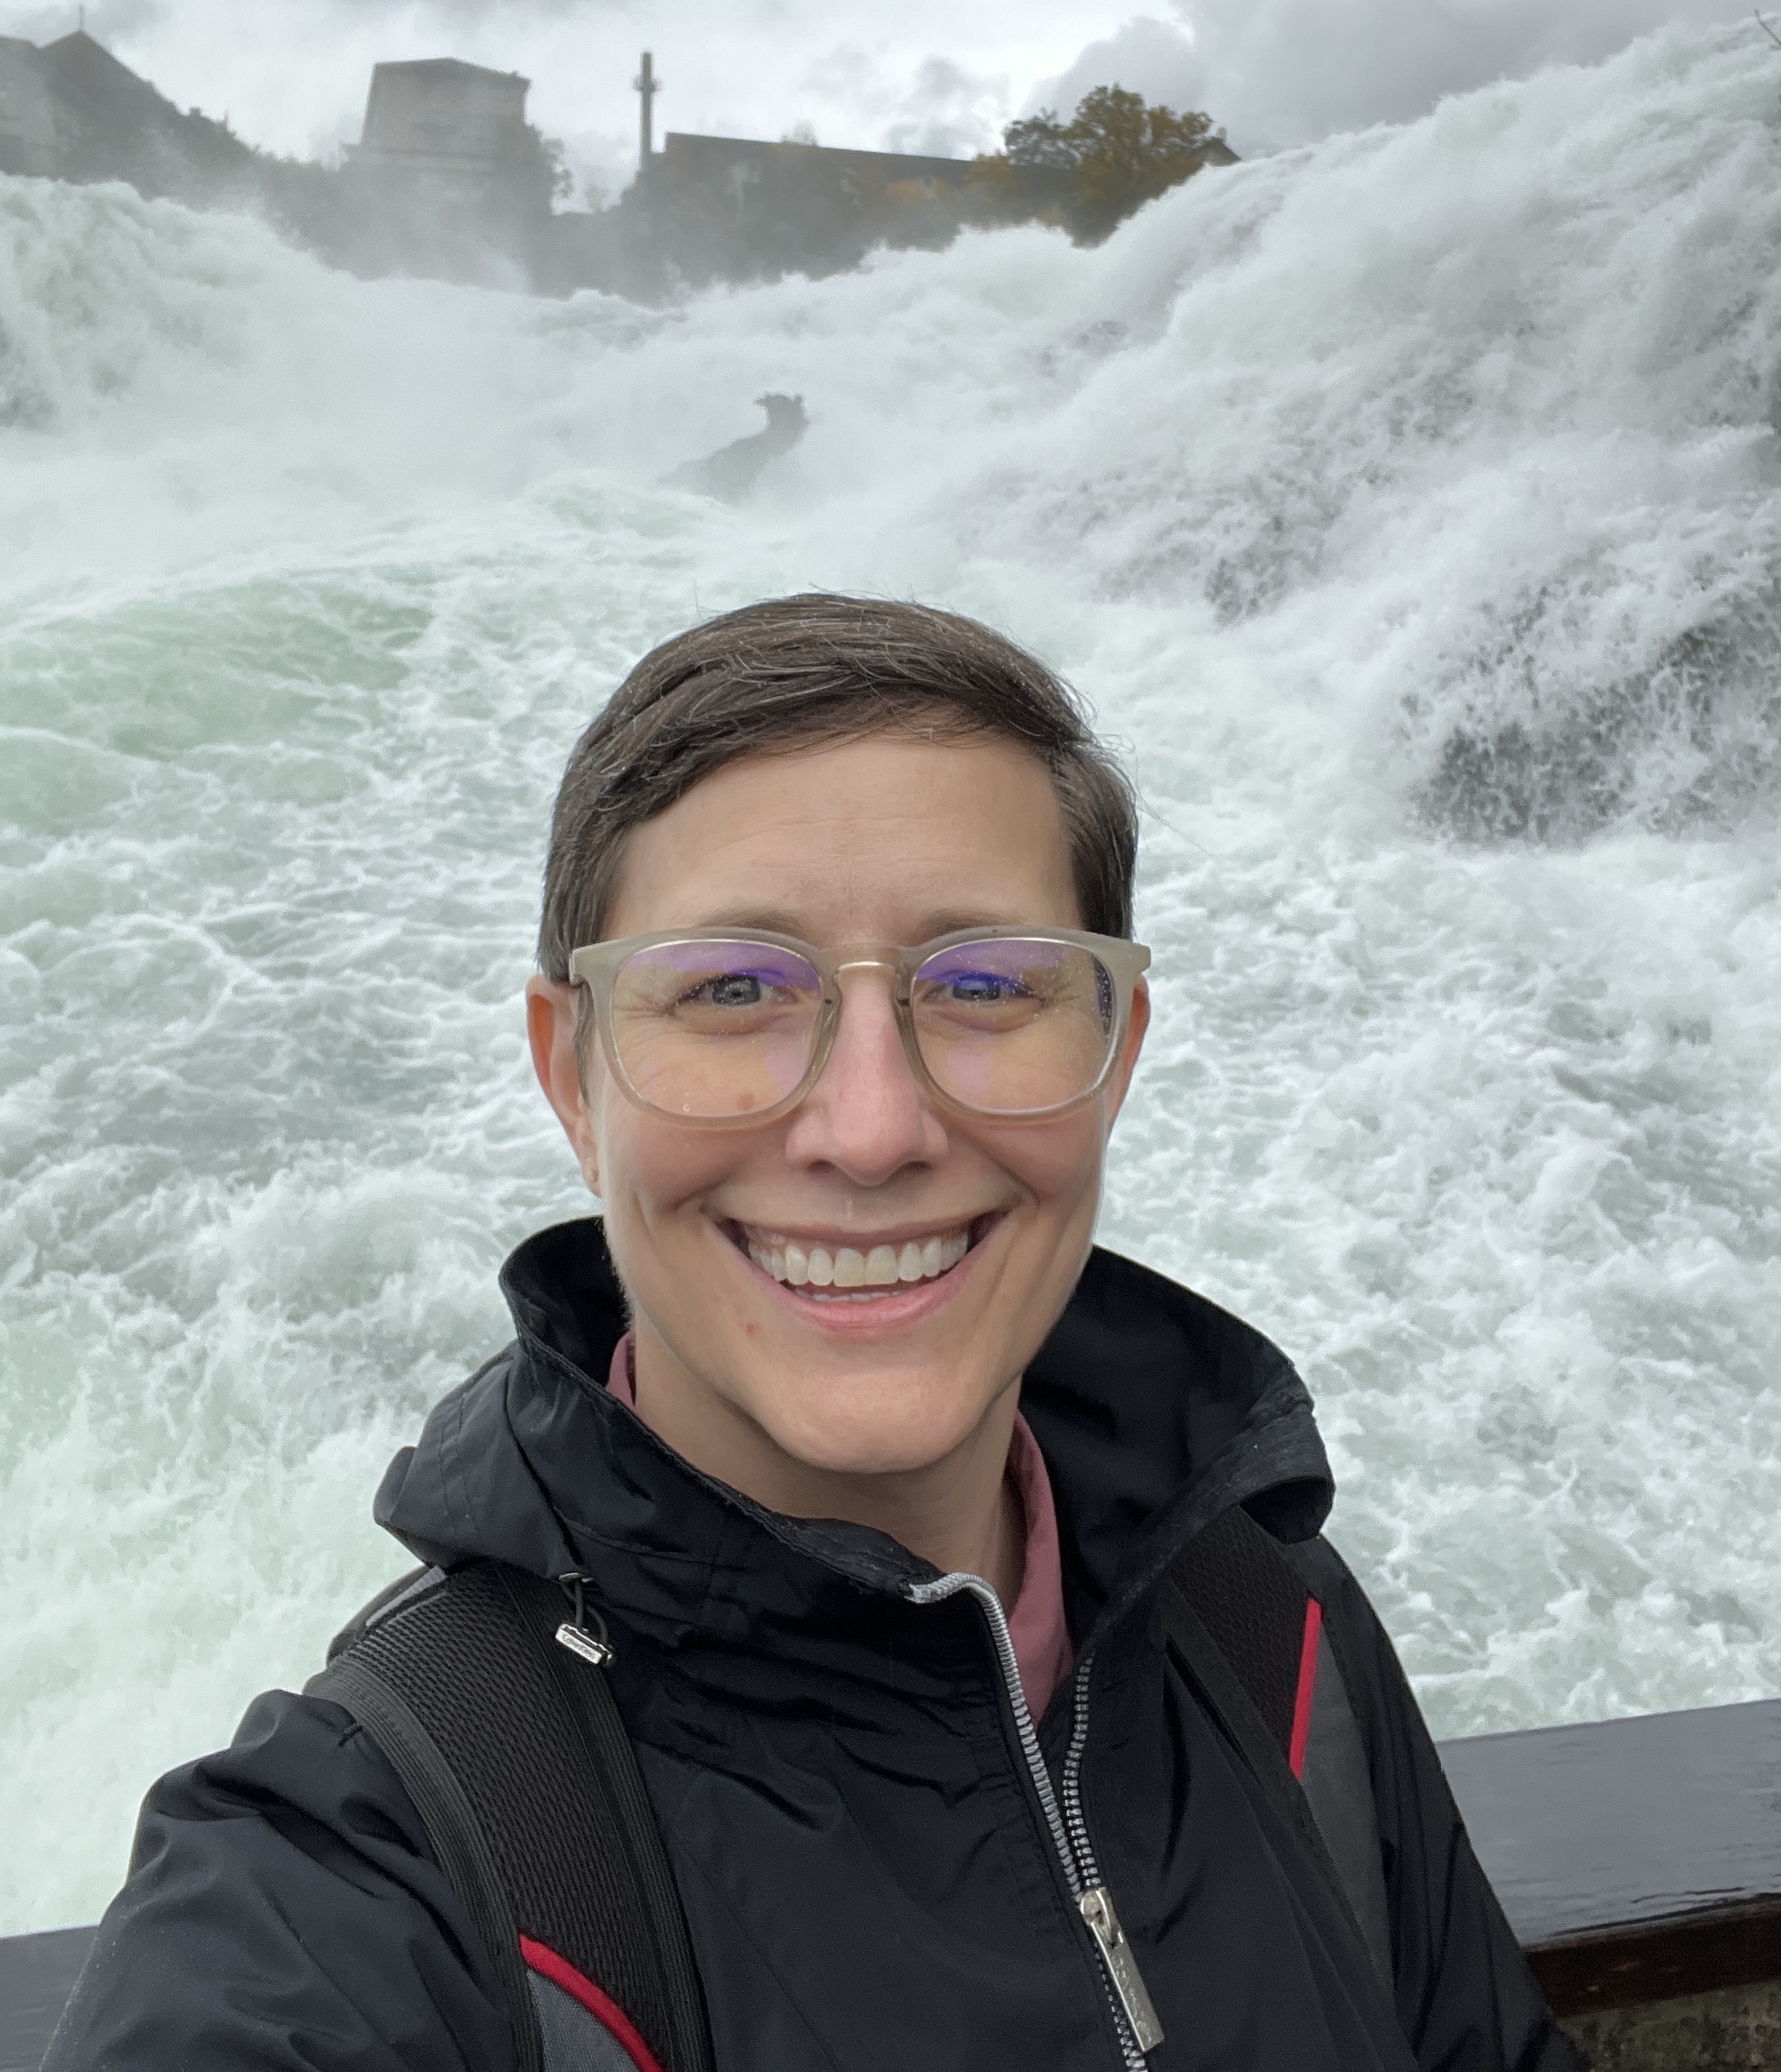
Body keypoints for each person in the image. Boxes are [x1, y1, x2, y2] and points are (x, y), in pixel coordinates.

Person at [47, 593, 1573, 2072]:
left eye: (987, 983)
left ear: (1114, 1055)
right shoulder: (367, 1866)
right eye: (730, 988)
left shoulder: (1268, 1625)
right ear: (573, 1074)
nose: (873, 1126)